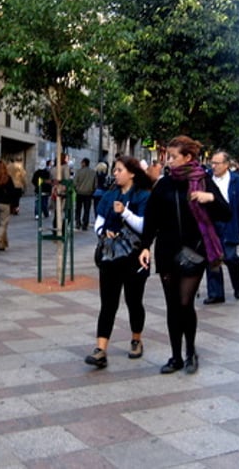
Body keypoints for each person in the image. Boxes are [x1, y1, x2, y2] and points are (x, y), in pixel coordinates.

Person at [138, 136, 231, 375]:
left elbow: (226, 213)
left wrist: (208, 198)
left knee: (185, 303)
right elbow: (151, 219)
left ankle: (191, 352)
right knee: (172, 306)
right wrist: (145, 246)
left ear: (188, 157)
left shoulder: (203, 181)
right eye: (167, 156)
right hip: (167, 252)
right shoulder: (164, 185)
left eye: (172, 157)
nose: (168, 161)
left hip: (194, 251)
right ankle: (176, 356)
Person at [84, 156, 151, 369]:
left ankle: (136, 339)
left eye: (119, 170)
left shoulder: (143, 196)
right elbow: (99, 222)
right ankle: (100, 349)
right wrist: (104, 232)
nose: (115, 173)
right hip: (110, 257)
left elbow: (144, 227)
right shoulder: (109, 195)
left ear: (131, 173)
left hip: (134, 257)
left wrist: (125, 212)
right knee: (108, 303)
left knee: (134, 301)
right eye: (115, 170)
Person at [204, 150, 239, 304]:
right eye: (212, 163)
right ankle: (216, 293)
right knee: (212, 258)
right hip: (211, 224)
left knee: (230, 257)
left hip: (230, 223)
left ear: (226, 165)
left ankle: (237, 284)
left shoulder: (237, 182)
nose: (213, 166)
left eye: (217, 163)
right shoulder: (206, 179)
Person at [74, 157, 97, 231]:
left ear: (84, 163)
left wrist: (77, 189)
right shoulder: (93, 172)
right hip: (88, 193)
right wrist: (92, 190)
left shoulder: (79, 171)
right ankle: (85, 224)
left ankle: (78, 222)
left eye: (81, 162)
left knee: (78, 209)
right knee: (87, 209)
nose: (81, 164)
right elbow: (95, 184)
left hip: (79, 193)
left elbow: (74, 182)